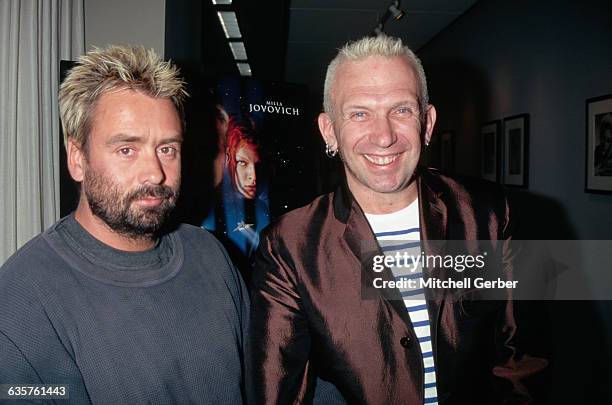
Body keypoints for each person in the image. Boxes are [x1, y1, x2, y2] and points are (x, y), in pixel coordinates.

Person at [248, 35, 546, 404]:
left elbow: (520, 363)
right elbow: (278, 391)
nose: (384, 136)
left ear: (428, 122)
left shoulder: (487, 214)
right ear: (329, 131)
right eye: (359, 113)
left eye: (401, 110)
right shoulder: (290, 246)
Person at [0, 46, 248, 404]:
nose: (155, 173)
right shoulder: (22, 301)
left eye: (167, 149)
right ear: (77, 158)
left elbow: (268, 379)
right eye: (126, 149)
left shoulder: (210, 254)